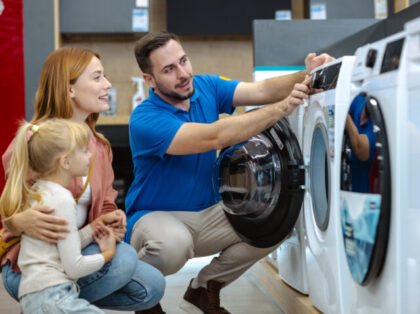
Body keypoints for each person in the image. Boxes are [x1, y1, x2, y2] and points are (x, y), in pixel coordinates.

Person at [124, 31, 333, 314]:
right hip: (155, 218)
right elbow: (214, 137)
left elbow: (261, 91)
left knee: (275, 222)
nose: (184, 73)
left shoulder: (206, 87)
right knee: (173, 244)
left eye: (183, 61)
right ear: (150, 80)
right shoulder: (145, 118)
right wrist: (283, 108)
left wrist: (307, 75)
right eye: (169, 69)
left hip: (208, 214)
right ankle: (142, 295)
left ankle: (203, 289)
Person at [1, 47, 165, 313]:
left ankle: (53, 304)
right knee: (123, 260)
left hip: (75, 251)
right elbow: (10, 209)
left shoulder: (99, 146)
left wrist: (113, 220)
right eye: (97, 77)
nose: (108, 85)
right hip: (31, 266)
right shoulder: (37, 141)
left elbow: (107, 205)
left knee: (152, 286)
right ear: (70, 90)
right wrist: (18, 220)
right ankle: (46, 300)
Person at [0, 119, 117, 313]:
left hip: (33, 296)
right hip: (53, 296)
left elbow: (61, 244)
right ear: (65, 162)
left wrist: (94, 227)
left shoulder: (40, 192)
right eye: (85, 150)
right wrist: (107, 254)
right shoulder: (62, 199)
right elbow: (74, 266)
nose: (90, 156)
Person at [344, 94, 376, 193]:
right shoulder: (360, 101)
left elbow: (360, 149)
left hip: (362, 193)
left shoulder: (378, 125)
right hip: (345, 184)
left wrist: (344, 115)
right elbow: (347, 107)